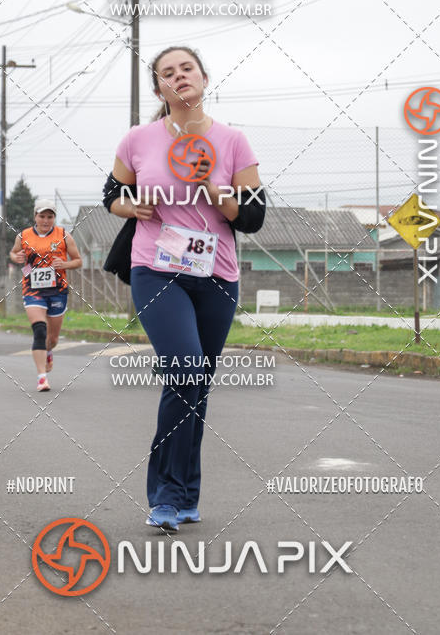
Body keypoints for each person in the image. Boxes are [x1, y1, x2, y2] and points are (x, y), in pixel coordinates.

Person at [104, 46, 265, 532]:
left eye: (186, 69)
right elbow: (112, 196)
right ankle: (167, 496)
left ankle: (187, 494)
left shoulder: (233, 141)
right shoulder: (138, 140)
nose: (178, 77)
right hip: (157, 268)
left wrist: (216, 192)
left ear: (204, 78)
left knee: (197, 383)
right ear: (159, 90)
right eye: (167, 74)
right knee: (186, 368)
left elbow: (254, 217)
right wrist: (133, 208)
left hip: (216, 275)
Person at [9, 199, 82, 392]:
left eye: (50, 217)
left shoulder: (64, 236)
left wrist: (64, 264)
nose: (46, 220)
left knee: (53, 338)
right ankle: (42, 378)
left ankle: (49, 351)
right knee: (39, 331)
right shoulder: (24, 235)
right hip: (33, 290)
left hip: (57, 291)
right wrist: (16, 257)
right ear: (35, 216)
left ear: (54, 218)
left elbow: (78, 260)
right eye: (42, 216)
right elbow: (14, 253)